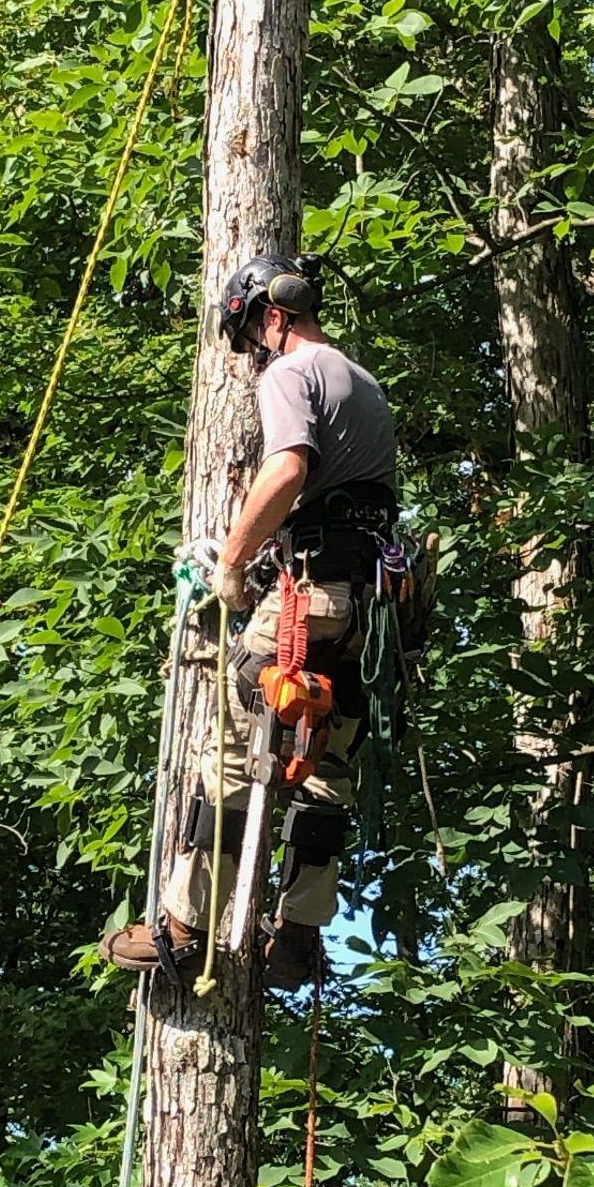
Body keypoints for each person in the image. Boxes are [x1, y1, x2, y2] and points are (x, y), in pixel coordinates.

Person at [100, 252, 399, 989]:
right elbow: (339, 502)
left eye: (250, 339)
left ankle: (182, 928)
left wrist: (232, 562)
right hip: (369, 617)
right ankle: (296, 936)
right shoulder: (362, 384)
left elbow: (288, 468)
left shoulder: (290, 373)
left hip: (313, 602)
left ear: (274, 313)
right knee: (326, 770)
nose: (250, 358)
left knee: (232, 756)